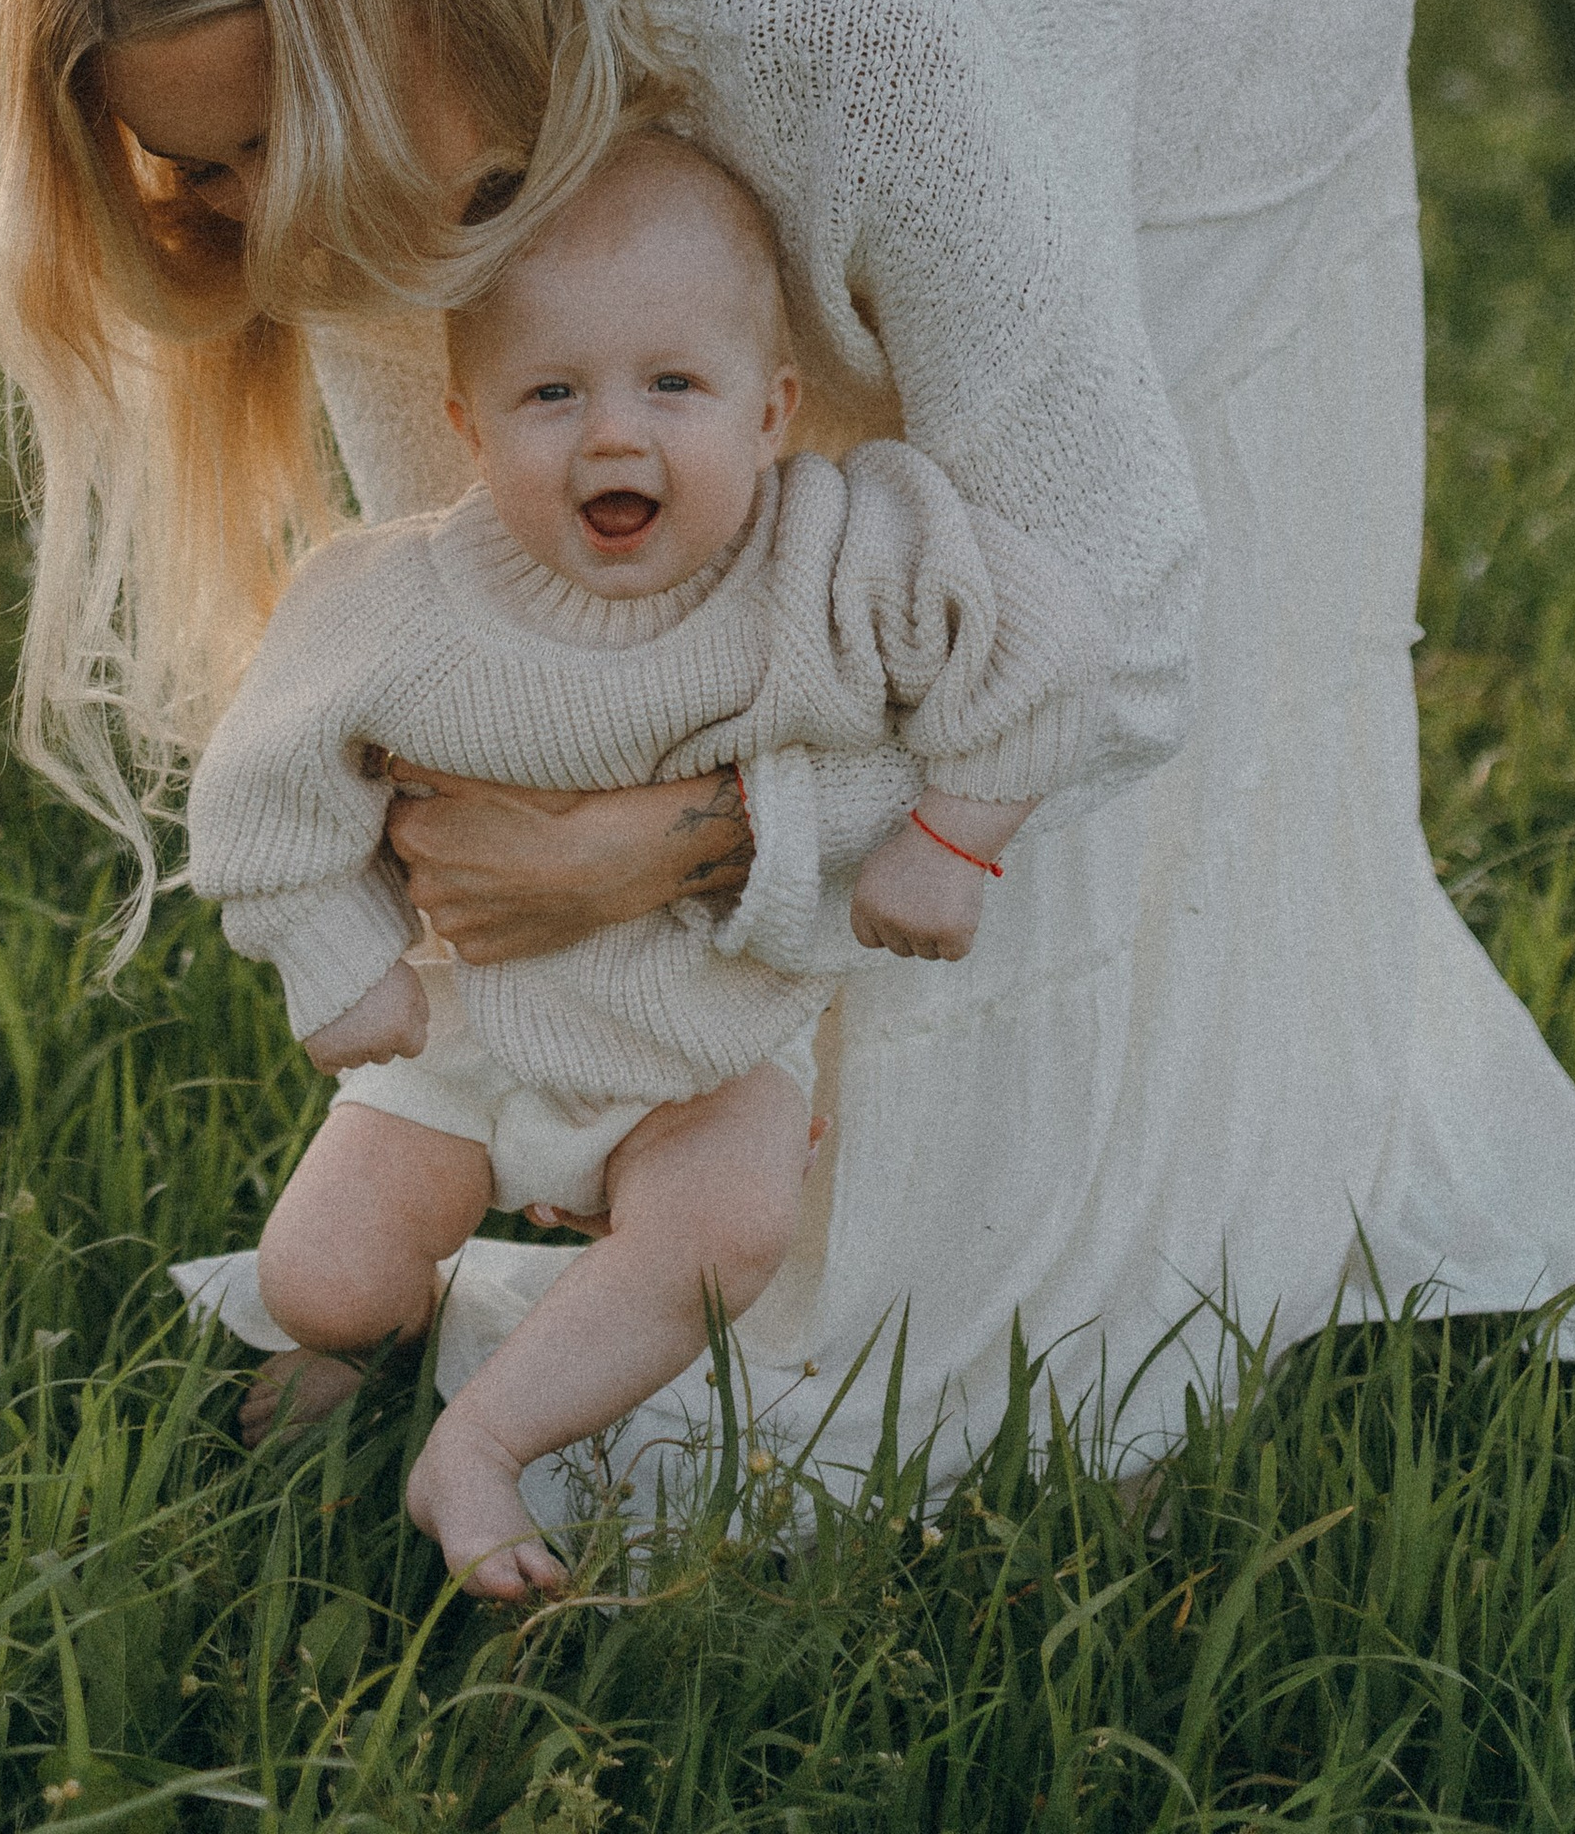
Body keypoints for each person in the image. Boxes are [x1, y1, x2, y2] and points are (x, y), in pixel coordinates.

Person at [0, 0, 1575, 1518]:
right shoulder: (347, 143)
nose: (268, 216)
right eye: (203, 165)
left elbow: (1112, 606)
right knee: (756, 556)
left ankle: (1130, 1253)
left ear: (392, 20)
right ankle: (785, 1199)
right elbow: (498, 601)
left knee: (1013, 593)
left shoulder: (823, 4)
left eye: (283, 134)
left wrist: (689, 838)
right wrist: (516, 900)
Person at [189, 130, 1098, 1593]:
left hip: (711, 1039)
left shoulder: (840, 555)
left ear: (773, 408)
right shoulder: (396, 604)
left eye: (674, 385)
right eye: (552, 394)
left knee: (727, 1222)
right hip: (476, 1028)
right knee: (324, 1278)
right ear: (470, 430)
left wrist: (952, 836)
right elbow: (259, 788)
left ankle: (481, 1443)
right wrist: (334, 961)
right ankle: (364, 1340)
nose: (615, 437)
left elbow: (1047, 646)